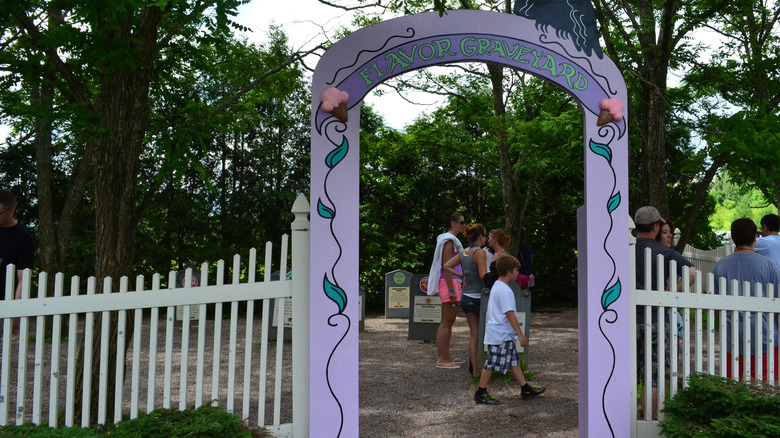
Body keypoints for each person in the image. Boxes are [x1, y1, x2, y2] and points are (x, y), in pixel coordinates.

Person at [634, 206, 696, 420]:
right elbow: (692, 272)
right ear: (655, 227)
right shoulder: (664, 252)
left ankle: (622, 423)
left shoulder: (624, 249)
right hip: (658, 322)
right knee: (654, 375)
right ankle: (649, 422)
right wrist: (671, 291)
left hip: (627, 322)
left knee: (628, 374)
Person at [712, 218, 780, 381]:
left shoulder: (720, 266)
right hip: (766, 338)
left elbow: (716, 307)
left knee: (733, 388)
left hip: (733, 338)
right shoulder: (769, 266)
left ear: (734, 238)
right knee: (765, 389)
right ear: (755, 237)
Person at [474, 255, 545, 404]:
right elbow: (510, 314)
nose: (518, 273)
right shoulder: (505, 290)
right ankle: (481, 392)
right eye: (516, 270)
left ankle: (525, 389)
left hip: (501, 333)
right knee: (491, 363)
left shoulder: (497, 285)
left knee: (514, 361)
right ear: (508, 271)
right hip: (500, 334)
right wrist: (520, 335)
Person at [443, 223, 488, 377]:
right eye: (485, 237)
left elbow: (447, 265)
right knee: (482, 334)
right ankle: (483, 367)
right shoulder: (480, 252)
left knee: (474, 334)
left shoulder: (465, 252)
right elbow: (483, 275)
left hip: (466, 296)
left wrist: (462, 276)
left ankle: (475, 370)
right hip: (478, 297)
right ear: (481, 237)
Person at [427, 212, 466, 369]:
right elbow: (446, 266)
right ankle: (442, 359)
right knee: (446, 321)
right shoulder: (449, 241)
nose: (464, 225)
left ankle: (446, 355)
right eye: (462, 222)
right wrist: (450, 288)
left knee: (450, 321)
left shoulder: (451, 240)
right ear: (453, 223)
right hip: (448, 283)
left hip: (452, 282)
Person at [0, 190, 35, 302]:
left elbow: (23, 279)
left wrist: (15, 314)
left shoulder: (23, 238)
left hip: (4, 306)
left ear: (11, 211)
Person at [655, 219, 683, 339]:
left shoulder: (672, 254)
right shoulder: (655, 256)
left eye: (670, 232)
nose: (670, 235)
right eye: (665, 232)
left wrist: (672, 291)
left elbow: (691, 274)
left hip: (672, 310)